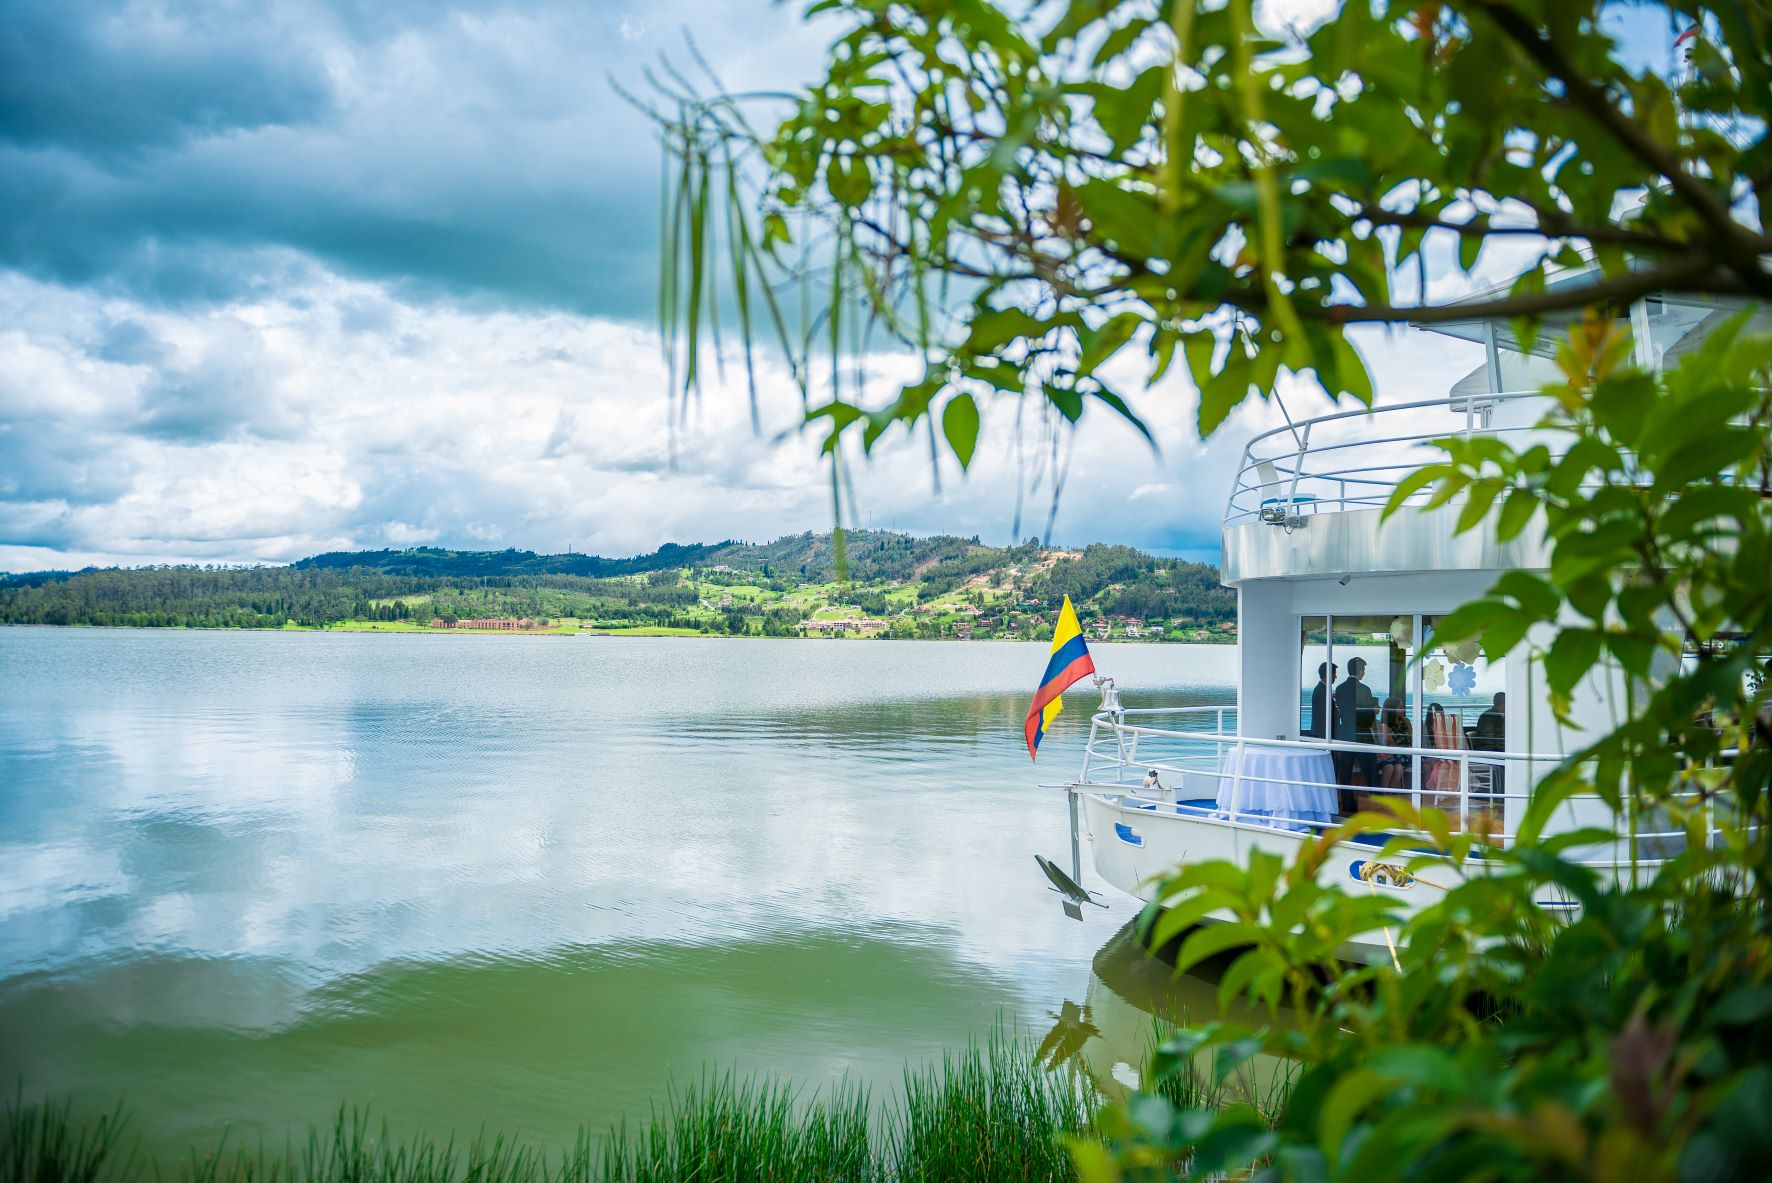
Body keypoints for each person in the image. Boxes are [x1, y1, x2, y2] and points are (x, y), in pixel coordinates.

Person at [1333, 657, 1379, 815]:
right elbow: (1367, 715)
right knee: (1371, 772)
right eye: (1363, 670)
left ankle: (1348, 806)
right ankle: (1375, 805)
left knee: (1345, 773)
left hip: (1345, 734)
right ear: (1360, 671)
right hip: (1362, 735)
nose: (1364, 673)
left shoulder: (1339, 689)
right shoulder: (1365, 690)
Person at [1472, 691, 1506, 798]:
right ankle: (1501, 795)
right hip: (1486, 752)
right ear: (1502, 705)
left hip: (1486, 749)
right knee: (1508, 763)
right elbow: (1490, 741)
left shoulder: (1493, 715)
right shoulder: (1491, 717)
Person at [1375, 695, 1413, 792]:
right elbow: (1392, 744)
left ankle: (1390, 794)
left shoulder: (1406, 721)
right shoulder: (1385, 726)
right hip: (1395, 753)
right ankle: (1385, 795)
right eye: (1400, 707)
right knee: (1396, 767)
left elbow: (1412, 738)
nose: (1403, 709)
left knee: (1398, 767)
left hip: (1407, 753)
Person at [1306, 661, 1340, 741]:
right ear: (1328, 674)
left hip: (1322, 735)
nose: (1336, 676)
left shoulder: (1321, 689)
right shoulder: (1322, 692)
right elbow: (1322, 718)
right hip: (1322, 736)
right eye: (1334, 673)